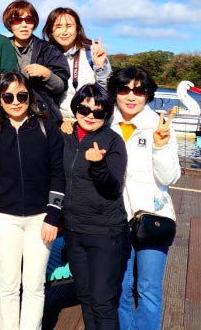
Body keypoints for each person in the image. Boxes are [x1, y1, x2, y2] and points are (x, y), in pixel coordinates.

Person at [0, 72, 65, 330]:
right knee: (8, 285)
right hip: (4, 218)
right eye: (8, 97)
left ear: (30, 97)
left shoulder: (47, 128)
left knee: (34, 285)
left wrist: (53, 216)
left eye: (22, 96)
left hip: (41, 218)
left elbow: (58, 175)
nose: (15, 102)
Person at [108, 67, 180, 330]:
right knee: (120, 286)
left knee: (148, 288)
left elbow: (170, 177)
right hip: (116, 218)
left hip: (152, 216)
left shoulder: (158, 126)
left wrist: (161, 146)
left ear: (148, 95)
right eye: (124, 89)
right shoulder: (105, 122)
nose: (131, 96)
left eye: (139, 90)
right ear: (115, 93)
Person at [62, 83, 129, 330]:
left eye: (98, 112)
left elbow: (113, 188)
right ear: (75, 108)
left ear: (107, 114)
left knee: (102, 301)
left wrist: (99, 165)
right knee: (85, 296)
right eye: (84, 109)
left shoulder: (112, 141)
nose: (90, 115)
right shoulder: (65, 135)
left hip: (105, 231)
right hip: (73, 230)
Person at [41, 7, 110, 132]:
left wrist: (100, 66)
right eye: (58, 27)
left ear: (77, 28)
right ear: (51, 31)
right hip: (62, 124)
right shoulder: (46, 56)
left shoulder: (92, 52)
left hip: (91, 121)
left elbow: (106, 92)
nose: (64, 31)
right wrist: (59, 120)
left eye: (69, 26)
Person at [1, 0, 69, 123]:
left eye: (28, 19)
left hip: (41, 116)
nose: (24, 25)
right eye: (17, 20)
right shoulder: (1, 47)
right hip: (7, 116)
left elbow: (60, 87)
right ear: (9, 23)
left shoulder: (49, 50)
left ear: (34, 22)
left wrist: (47, 74)